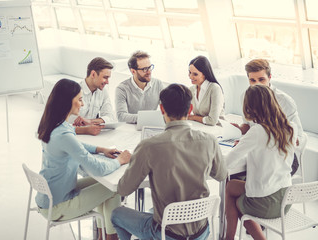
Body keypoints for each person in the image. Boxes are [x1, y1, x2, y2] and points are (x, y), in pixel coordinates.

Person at [111, 84, 228, 240]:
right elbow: (221, 175)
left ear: (162, 109)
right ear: (190, 108)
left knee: (117, 214)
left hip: (167, 234)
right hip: (201, 231)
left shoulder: (148, 146)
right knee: (154, 210)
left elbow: (124, 189)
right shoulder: (209, 141)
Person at [36, 79, 131, 240]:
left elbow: (76, 145)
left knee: (105, 185)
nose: (83, 104)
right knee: (115, 188)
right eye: (79, 99)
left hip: (50, 197)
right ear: (67, 102)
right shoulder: (63, 134)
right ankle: (110, 237)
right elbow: (97, 169)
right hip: (59, 206)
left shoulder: (55, 125)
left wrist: (101, 149)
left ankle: (103, 236)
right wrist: (120, 160)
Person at [225, 85, 297, 240]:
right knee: (232, 186)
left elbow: (228, 163)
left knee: (233, 195)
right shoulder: (291, 128)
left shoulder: (257, 131)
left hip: (266, 203)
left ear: (250, 108)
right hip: (286, 199)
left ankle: (229, 238)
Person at [232, 59, 303, 175]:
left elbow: (298, 137)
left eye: (261, 79)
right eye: (252, 80)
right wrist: (239, 130)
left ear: (270, 77)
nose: (257, 84)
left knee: (238, 175)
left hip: (283, 158)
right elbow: (248, 124)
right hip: (257, 153)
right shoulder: (246, 96)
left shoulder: (284, 101)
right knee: (231, 174)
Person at [115, 50, 164, 123]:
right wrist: (148, 118)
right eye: (145, 69)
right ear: (133, 71)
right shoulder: (122, 89)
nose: (149, 72)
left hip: (151, 127)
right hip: (131, 129)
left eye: (150, 67)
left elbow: (167, 110)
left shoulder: (158, 84)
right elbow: (121, 116)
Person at [71, 57, 116, 136]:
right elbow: (57, 126)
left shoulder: (103, 91)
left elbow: (110, 117)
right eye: (105, 77)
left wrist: (90, 121)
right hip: (72, 136)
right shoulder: (73, 90)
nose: (107, 82)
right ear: (93, 74)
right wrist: (85, 130)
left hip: (92, 136)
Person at [188, 56, 225, 126]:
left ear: (204, 74)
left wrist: (193, 117)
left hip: (217, 129)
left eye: (195, 74)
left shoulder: (214, 89)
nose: (190, 76)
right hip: (201, 127)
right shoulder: (191, 90)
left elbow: (212, 120)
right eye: (190, 72)